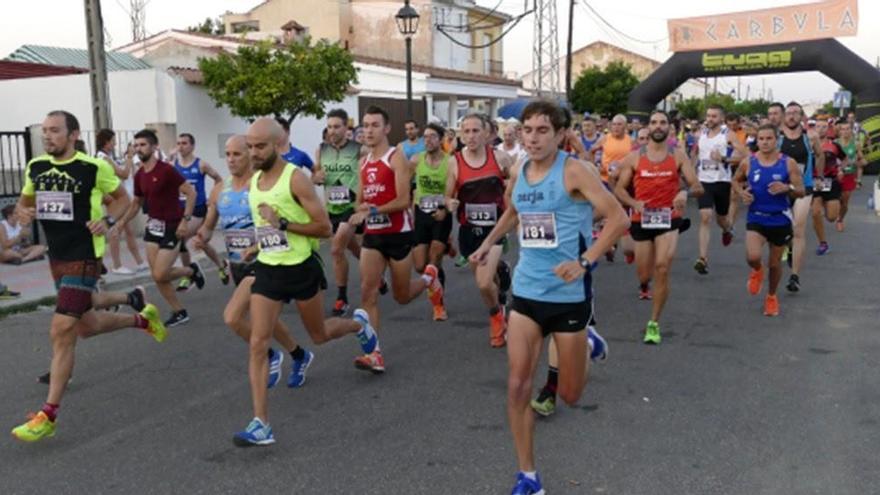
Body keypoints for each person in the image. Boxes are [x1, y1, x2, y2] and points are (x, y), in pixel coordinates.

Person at [468, 100, 628, 495]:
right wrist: (488, 243)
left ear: (559, 135)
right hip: (526, 292)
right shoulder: (519, 169)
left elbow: (619, 217)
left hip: (569, 296)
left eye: (543, 130)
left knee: (571, 396)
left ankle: (588, 341)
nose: (534, 138)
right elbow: (513, 212)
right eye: (528, 130)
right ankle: (528, 476)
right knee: (518, 386)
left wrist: (586, 261)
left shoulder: (575, 170)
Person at [10, 110, 165, 443]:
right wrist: (23, 214)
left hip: (84, 254)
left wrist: (109, 223)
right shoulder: (35, 167)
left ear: (73, 134)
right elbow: (24, 204)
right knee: (86, 325)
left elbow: (123, 200)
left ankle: (48, 414)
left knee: (62, 328)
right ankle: (139, 315)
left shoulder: (93, 168)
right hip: (58, 255)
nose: (48, 136)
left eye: (55, 131)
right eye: (45, 132)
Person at [231, 118, 382, 446]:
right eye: (250, 146)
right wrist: (257, 245)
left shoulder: (295, 179)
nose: (254, 153)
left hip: (301, 268)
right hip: (269, 268)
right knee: (258, 343)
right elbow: (267, 226)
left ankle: (359, 325)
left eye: (260, 146)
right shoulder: (255, 181)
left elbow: (324, 228)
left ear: (277, 144)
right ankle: (261, 423)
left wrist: (283, 222)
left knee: (320, 334)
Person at [194, 135, 314, 390]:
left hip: (265, 263)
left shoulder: (259, 187)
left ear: (249, 155)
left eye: (236, 154)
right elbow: (208, 225)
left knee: (232, 318)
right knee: (267, 321)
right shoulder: (219, 190)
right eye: (227, 154)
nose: (230, 159)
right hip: (238, 266)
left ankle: (270, 356)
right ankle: (299, 355)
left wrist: (257, 245)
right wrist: (201, 237)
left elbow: (278, 224)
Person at [347, 106, 443, 372]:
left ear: (387, 129)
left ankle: (429, 278)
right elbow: (359, 201)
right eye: (365, 125)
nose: (368, 130)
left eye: (374, 125)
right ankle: (374, 354)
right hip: (374, 236)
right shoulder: (363, 162)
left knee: (402, 296)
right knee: (368, 291)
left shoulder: (396, 158)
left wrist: (373, 209)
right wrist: (360, 210)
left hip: (399, 234)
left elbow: (403, 200)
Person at [615, 110, 703, 344]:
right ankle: (644, 283)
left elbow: (697, 185)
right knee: (644, 273)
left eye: (662, 122)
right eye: (654, 122)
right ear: (648, 127)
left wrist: (684, 191)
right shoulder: (634, 158)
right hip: (641, 219)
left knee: (662, 267)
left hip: (669, 218)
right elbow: (619, 189)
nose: (658, 126)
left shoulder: (678, 155)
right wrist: (634, 203)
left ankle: (653, 322)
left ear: (669, 128)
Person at [115, 129, 207, 327]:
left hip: (172, 225)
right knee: (158, 276)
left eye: (143, 145)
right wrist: (122, 222)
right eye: (136, 145)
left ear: (154, 147)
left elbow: (190, 193)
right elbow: (137, 203)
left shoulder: (166, 170)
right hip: (153, 227)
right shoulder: (139, 175)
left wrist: (185, 220)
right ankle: (179, 311)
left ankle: (190, 271)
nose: (139, 149)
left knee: (159, 273)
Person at [446, 113, 513, 348]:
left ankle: (496, 317)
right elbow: (448, 195)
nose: (471, 136)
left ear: (487, 134)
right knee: (487, 280)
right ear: (460, 135)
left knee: (484, 284)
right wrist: (449, 203)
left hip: (495, 228)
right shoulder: (454, 161)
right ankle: (501, 273)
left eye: (476, 131)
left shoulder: (502, 158)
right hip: (469, 230)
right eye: (466, 131)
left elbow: (516, 184)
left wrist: (508, 191)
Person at [732, 123, 804, 316]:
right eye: (761, 139)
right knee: (753, 256)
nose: (764, 142)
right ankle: (757, 270)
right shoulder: (749, 161)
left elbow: (801, 190)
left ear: (776, 140)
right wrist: (742, 193)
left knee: (774, 264)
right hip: (756, 216)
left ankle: (771, 296)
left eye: (768, 138)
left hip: (780, 219)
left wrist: (787, 188)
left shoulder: (788, 163)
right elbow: (735, 180)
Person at [311, 108, 366, 316]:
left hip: (351, 207)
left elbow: (367, 176)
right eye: (329, 127)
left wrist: (363, 202)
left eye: (337, 126)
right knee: (352, 248)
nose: (332, 131)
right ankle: (376, 275)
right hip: (332, 208)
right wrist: (316, 178)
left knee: (336, 249)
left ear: (346, 128)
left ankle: (342, 299)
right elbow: (315, 175)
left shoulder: (359, 150)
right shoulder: (321, 149)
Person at [692, 105, 745, 275]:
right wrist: (692, 173)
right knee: (705, 216)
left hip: (722, 181)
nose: (710, 119)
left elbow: (744, 155)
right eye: (708, 115)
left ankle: (727, 229)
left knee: (721, 218)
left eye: (714, 116)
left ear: (721, 118)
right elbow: (695, 153)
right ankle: (702, 259)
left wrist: (723, 158)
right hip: (703, 181)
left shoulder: (727, 134)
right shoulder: (701, 133)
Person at [778, 101, 825, 292]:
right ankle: (789, 246)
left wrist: (819, 176)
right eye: (788, 113)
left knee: (799, 227)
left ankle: (794, 276)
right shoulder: (777, 138)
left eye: (795, 113)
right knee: (783, 229)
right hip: (781, 188)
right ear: (784, 117)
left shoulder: (810, 137)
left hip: (804, 187)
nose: (791, 116)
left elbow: (820, 155)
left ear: (802, 117)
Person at [171, 133, 227, 290]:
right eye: (179, 143)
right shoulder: (173, 164)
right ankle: (221, 265)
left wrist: (212, 197)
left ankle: (189, 275)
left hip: (197, 210)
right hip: (180, 209)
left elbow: (219, 179)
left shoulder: (201, 164)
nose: (181, 146)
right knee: (202, 243)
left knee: (181, 238)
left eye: (184, 143)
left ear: (192, 146)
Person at [410, 122, 452, 321]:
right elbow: (406, 184)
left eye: (432, 136)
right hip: (421, 214)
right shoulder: (416, 160)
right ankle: (447, 245)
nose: (428, 140)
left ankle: (438, 306)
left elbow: (454, 189)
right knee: (420, 265)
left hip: (442, 214)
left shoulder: (450, 162)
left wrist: (445, 209)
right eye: (425, 137)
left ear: (441, 139)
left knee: (434, 259)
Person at [94, 129, 146, 274]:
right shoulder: (103, 158)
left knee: (128, 230)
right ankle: (117, 266)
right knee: (115, 230)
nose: (115, 144)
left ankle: (139, 262)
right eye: (113, 141)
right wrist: (130, 157)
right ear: (106, 142)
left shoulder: (107, 157)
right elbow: (123, 174)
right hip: (114, 199)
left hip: (118, 197)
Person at [812, 118, 845, 255]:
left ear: (828, 129)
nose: (821, 129)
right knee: (815, 213)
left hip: (831, 181)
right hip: (815, 181)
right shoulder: (809, 145)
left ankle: (829, 205)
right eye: (818, 126)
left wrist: (841, 170)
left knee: (831, 217)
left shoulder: (834, 145)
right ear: (814, 129)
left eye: (824, 127)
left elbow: (844, 159)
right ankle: (823, 243)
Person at [834, 120, 863, 231]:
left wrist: (859, 162)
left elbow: (861, 158)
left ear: (851, 130)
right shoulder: (835, 143)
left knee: (845, 202)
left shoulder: (855, 144)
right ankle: (835, 212)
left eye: (847, 129)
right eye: (843, 129)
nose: (845, 131)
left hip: (849, 174)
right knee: (835, 199)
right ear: (839, 131)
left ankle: (840, 219)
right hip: (836, 175)